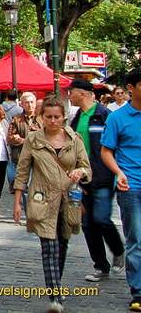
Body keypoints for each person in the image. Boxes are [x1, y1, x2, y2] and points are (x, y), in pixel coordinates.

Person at [13, 96, 91, 313]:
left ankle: (57, 285)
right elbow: (22, 170)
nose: (53, 121)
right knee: (49, 247)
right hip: (42, 199)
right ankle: (55, 296)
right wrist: (18, 201)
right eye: (49, 117)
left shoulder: (74, 139)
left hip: (68, 200)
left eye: (57, 116)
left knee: (62, 245)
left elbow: (87, 168)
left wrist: (80, 172)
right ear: (42, 117)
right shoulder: (34, 139)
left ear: (64, 116)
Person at [67, 78, 126, 282]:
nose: (69, 95)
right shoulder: (76, 118)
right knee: (88, 224)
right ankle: (101, 266)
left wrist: (116, 173)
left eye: (71, 92)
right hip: (82, 181)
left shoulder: (104, 116)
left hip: (102, 178)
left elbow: (114, 147)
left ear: (82, 93)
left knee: (101, 218)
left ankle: (119, 251)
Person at [101, 69, 141, 311]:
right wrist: (119, 173)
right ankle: (138, 292)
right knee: (136, 240)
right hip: (132, 186)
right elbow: (107, 151)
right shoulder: (117, 118)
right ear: (131, 88)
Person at [7, 92, 41, 194]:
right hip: (22, 157)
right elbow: (11, 138)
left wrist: (23, 140)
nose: (30, 105)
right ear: (21, 104)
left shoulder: (42, 119)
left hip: (39, 157)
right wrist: (29, 141)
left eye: (31, 102)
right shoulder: (16, 120)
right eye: (27, 102)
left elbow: (45, 139)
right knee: (24, 186)